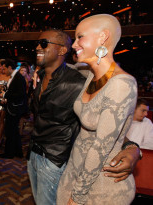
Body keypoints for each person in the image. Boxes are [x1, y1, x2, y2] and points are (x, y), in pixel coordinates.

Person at [27, 28, 141, 205]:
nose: (37, 47)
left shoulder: (78, 82)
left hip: (55, 159)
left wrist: (132, 147)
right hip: (33, 152)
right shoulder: (40, 76)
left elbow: (108, 123)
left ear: (62, 51)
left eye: (43, 44)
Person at [57, 14, 138, 205]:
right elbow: (64, 66)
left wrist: (78, 197)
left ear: (102, 37)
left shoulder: (122, 84)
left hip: (100, 188)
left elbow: (101, 147)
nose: (74, 43)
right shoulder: (90, 74)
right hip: (74, 174)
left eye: (80, 37)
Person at [0, 59, 27, 159]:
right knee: (13, 131)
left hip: (15, 109)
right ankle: (18, 152)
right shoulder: (14, 76)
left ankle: (9, 153)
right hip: (12, 107)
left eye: (4, 68)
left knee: (9, 131)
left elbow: (21, 94)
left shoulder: (18, 77)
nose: (3, 71)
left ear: (10, 67)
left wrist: (6, 95)